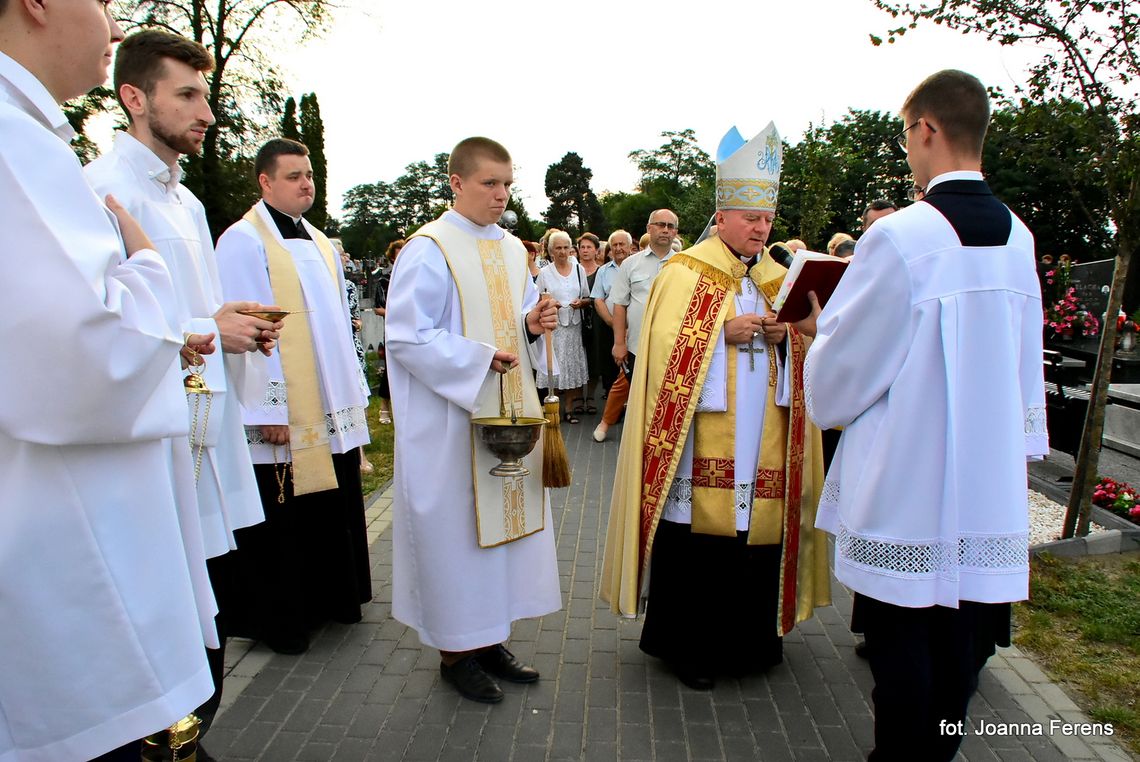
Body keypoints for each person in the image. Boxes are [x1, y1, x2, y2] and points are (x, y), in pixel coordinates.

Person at [793, 70, 1045, 761]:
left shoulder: (902, 237)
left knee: (903, 641)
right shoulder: (1019, 238)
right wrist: (1014, 449)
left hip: (909, 477)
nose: (908, 150)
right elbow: (1028, 368)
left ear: (926, 130)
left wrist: (821, 338)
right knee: (961, 637)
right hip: (981, 483)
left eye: (907, 135)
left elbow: (850, 374)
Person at [1, 6, 218, 760]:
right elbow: (95, 356)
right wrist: (148, 266)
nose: (114, 20)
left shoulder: (33, 139)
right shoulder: (14, 144)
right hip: (57, 536)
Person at [83, 28, 283, 751]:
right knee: (162, 608)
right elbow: (102, 321)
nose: (207, 113)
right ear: (135, 98)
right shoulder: (100, 189)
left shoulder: (189, 204)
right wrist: (208, 327)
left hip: (207, 434)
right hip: (155, 441)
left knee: (210, 604)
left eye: (208, 97)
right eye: (189, 96)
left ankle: (188, 735)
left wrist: (238, 328)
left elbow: (196, 310)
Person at [600, 123, 831, 691]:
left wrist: (788, 340)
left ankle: (752, 643)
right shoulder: (684, 272)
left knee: (756, 536)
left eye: (768, 219)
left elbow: (809, 344)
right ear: (722, 215)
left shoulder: (782, 276)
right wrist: (718, 336)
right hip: (702, 440)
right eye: (751, 219)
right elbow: (658, 354)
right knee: (698, 539)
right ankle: (690, 649)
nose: (761, 229)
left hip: (766, 440)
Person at [386, 136, 561, 704]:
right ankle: (455, 653)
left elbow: (516, 320)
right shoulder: (428, 248)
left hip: (506, 413)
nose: (501, 194)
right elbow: (408, 336)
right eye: (490, 183)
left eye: (508, 183)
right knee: (457, 538)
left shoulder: (513, 248)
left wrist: (535, 321)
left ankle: (489, 640)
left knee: (500, 535)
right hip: (449, 423)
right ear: (457, 183)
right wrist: (479, 357)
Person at [213, 138, 372, 655]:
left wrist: (353, 395)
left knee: (331, 504)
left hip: (328, 404)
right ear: (265, 182)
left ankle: (333, 600)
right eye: (294, 176)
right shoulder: (243, 240)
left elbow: (333, 331)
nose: (307, 182)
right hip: (284, 411)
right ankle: (286, 617)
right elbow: (251, 329)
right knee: (283, 516)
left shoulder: (321, 241)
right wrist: (269, 409)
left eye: (309, 174)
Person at [592, 210, 678, 443]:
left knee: (665, 393)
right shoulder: (631, 264)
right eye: (661, 224)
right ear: (649, 228)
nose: (666, 230)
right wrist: (619, 343)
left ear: (676, 232)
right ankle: (608, 423)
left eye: (671, 226)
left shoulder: (684, 264)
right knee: (627, 384)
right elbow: (619, 306)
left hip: (673, 345)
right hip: (636, 344)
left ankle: (658, 438)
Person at [535, 231, 591, 422]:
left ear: (570, 249)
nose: (562, 251)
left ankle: (568, 409)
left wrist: (580, 302)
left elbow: (587, 297)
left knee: (571, 368)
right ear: (551, 251)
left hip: (574, 327)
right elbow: (537, 300)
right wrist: (551, 303)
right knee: (555, 368)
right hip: (554, 329)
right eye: (558, 248)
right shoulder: (544, 273)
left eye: (566, 247)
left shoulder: (579, 270)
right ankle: (552, 409)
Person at [589, 230, 632, 411]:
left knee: (632, 367)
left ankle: (630, 406)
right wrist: (613, 323)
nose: (618, 248)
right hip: (609, 326)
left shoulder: (637, 267)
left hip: (635, 327)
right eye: (615, 245)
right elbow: (598, 299)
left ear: (630, 247)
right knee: (609, 366)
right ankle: (613, 408)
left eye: (622, 244)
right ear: (609, 249)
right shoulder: (603, 271)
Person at [372, 238, 404, 425]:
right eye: (397, 255)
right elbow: (378, 308)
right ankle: (384, 407)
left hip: (412, 329)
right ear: (392, 258)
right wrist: (397, 313)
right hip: (393, 329)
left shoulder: (414, 277)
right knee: (390, 370)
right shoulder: (384, 281)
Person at [578, 232, 604, 414]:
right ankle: (579, 397)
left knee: (594, 357)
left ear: (596, 250)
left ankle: (591, 396)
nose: (585, 250)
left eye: (589, 247)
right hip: (574, 320)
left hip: (595, 318)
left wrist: (586, 302)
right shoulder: (573, 269)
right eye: (582, 247)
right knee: (578, 356)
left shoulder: (602, 271)